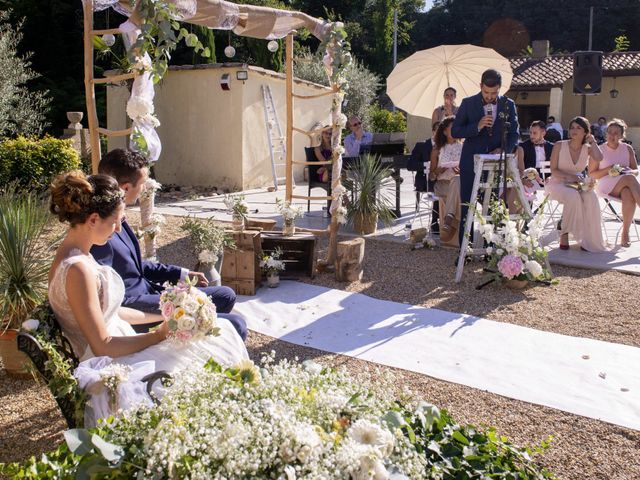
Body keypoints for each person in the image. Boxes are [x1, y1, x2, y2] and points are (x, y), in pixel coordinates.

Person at [47, 171, 248, 373]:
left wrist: (167, 316)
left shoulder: (76, 257)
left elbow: (113, 314)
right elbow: (102, 346)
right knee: (221, 340)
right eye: (115, 221)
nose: (117, 229)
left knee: (222, 334)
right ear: (92, 220)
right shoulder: (77, 269)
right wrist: (158, 336)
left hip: (122, 345)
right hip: (112, 366)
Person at [90, 149, 247, 340]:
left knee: (226, 295)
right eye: (142, 184)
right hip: (135, 306)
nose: (144, 190)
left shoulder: (117, 218)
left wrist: (181, 274)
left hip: (149, 291)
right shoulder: (101, 232)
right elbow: (110, 297)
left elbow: (136, 266)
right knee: (236, 324)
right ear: (125, 188)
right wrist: (173, 304)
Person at [451, 69, 519, 246]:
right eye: (486, 92)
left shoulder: (508, 104)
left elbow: (514, 134)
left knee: (493, 206)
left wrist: (503, 149)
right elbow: (455, 131)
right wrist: (477, 126)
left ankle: (492, 250)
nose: (490, 96)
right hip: (470, 162)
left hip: (495, 164)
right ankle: (465, 249)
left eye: (494, 92)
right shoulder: (468, 103)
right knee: (468, 206)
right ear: (480, 86)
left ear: (500, 89)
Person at [545, 116, 606, 251]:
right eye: (572, 127)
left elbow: (600, 158)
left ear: (586, 132)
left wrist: (593, 141)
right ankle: (564, 233)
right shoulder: (559, 145)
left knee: (591, 197)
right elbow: (554, 170)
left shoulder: (588, 148)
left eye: (578, 128)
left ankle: (588, 239)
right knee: (573, 196)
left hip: (577, 184)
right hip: (557, 183)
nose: (574, 130)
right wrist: (570, 177)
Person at [589, 118, 640, 247]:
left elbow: (635, 170)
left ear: (622, 135)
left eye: (616, 133)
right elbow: (592, 174)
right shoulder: (599, 149)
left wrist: (629, 171)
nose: (612, 135)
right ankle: (625, 233)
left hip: (625, 182)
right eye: (610, 132)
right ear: (606, 133)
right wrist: (609, 169)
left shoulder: (627, 148)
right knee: (629, 179)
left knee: (628, 193)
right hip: (605, 184)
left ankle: (625, 233)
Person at [429, 116, 462, 243]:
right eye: (452, 128)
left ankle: (449, 220)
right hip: (442, 184)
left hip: (458, 183)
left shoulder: (464, 147)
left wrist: (461, 171)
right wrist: (437, 171)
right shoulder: (437, 150)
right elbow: (431, 177)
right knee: (457, 186)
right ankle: (454, 225)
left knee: (457, 179)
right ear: (444, 131)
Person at [409, 122, 441, 233]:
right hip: (424, 181)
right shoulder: (421, 145)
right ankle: (435, 221)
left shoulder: (446, 146)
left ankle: (446, 220)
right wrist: (425, 165)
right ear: (433, 132)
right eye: (438, 131)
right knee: (439, 187)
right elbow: (410, 165)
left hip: (440, 180)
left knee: (450, 186)